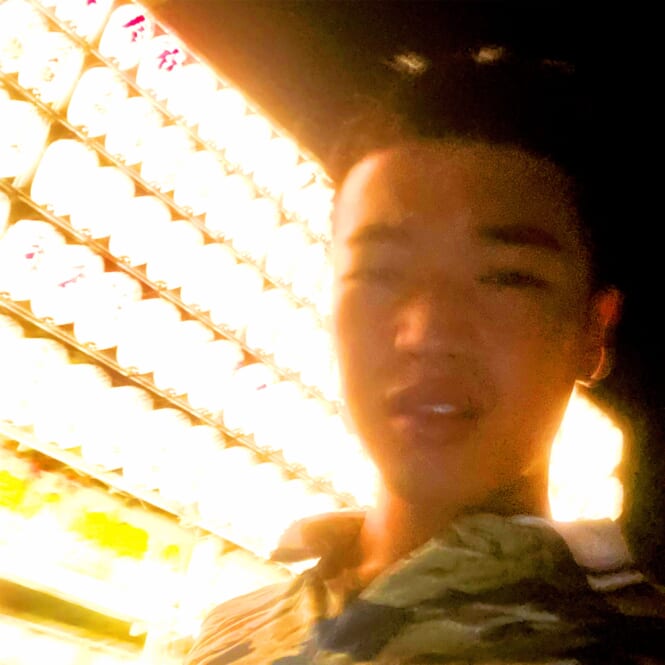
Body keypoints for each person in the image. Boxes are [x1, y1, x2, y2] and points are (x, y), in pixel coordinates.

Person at [186, 44, 665, 664]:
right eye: (380, 273)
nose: (428, 331)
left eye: (506, 278)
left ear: (593, 332)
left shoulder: (629, 643)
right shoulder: (227, 635)